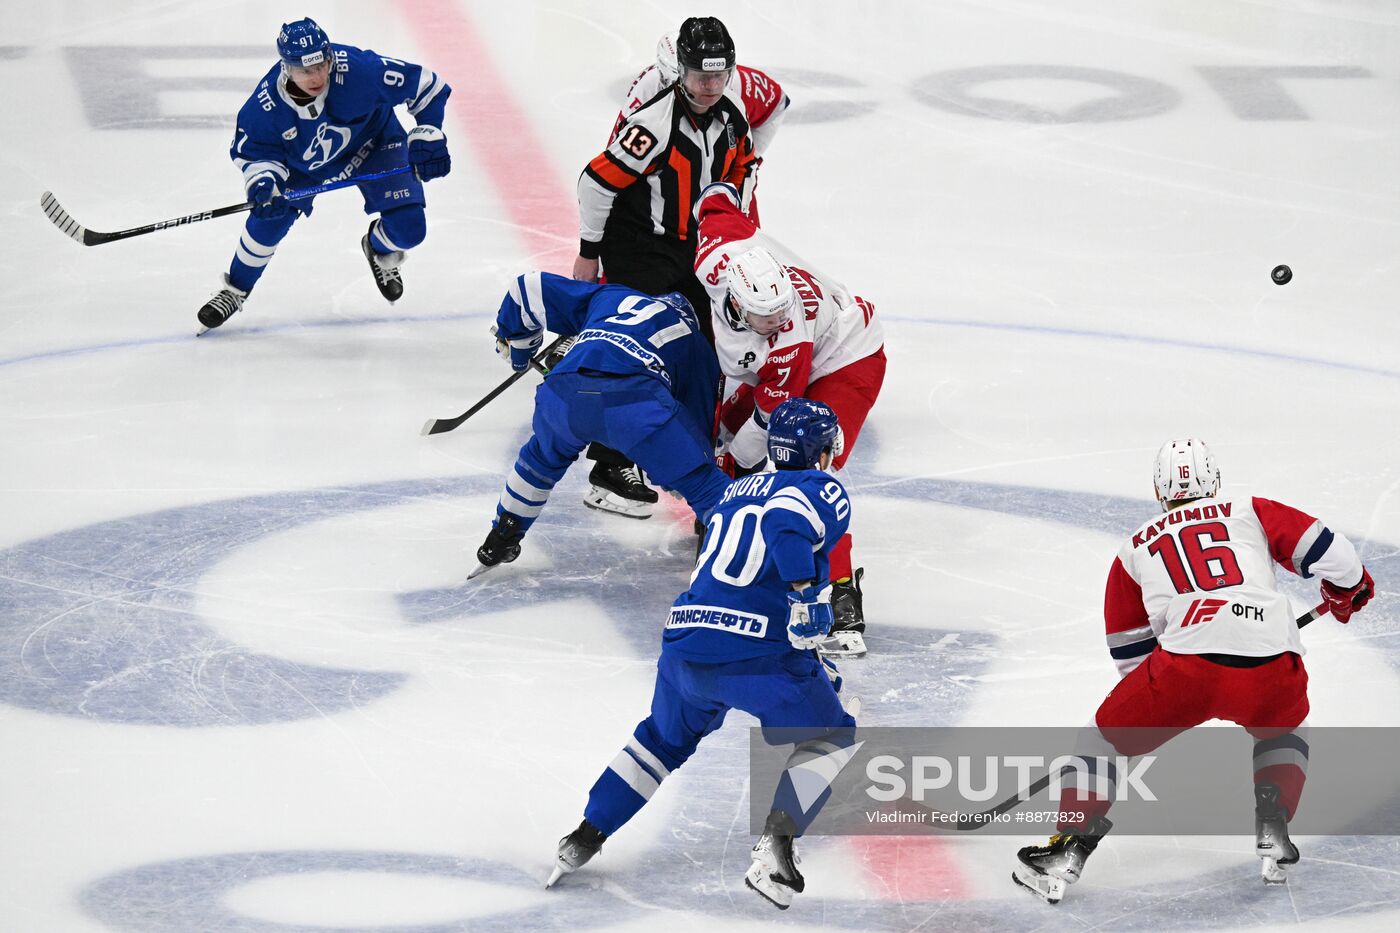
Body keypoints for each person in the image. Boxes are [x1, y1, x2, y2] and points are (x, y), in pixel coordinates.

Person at [1012, 438, 1376, 904]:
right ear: (1214, 481)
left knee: (1100, 740)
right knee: (1284, 731)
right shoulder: (1249, 509)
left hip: (1184, 669)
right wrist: (1348, 587)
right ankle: (1274, 824)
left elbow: (1129, 653)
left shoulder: (1134, 547)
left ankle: (1068, 848)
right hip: (1273, 664)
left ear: (1160, 490)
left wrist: (1161, 704)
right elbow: (1337, 555)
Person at [545, 399, 858, 910]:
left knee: (659, 743)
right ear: (819, 451)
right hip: (756, 654)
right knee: (831, 738)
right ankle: (776, 846)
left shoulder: (734, 491)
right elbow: (784, 524)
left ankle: (585, 834)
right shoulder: (820, 488)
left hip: (685, 643)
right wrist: (804, 595)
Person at [570, 16, 758, 521]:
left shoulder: (732, 118)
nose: (709, 85)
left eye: (719, 76)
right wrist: (589, 255)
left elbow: (742, 171)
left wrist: (730, 228)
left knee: (701, 351)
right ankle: (607, 468)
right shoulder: (653, 123)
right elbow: (595, 182)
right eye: (701, 75)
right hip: (637, 244)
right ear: (681, 71)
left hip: (690, 247)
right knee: (640, 349)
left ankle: (684, 454)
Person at [692, 181, 886, 657]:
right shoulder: (717, 258)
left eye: (781, 311)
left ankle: (840, 595)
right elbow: (715, 203)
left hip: (845, 355)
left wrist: (732, 465)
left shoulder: (786, 338)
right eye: (766, 315)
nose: (778, 319)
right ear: (736, 299)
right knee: (721, 435)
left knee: (807, 468)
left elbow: (771, 418)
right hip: (779, 360)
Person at [196, 17, 452, 331]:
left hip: (375, 144)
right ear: (286, 68)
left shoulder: (359, 70)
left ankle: (378, 248)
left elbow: (428, 85)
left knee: (410, 230)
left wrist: (427, 131)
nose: (317, 76)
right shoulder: (264, 108)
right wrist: (265, 185)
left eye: (321, 65)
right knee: (267, 221)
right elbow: (256, 154)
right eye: (305, 71)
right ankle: (235, 290)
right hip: (303, 169)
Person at [470, 272, 730, 577]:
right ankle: (741, 555)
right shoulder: (695, 341)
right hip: (634, 407)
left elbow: (526, 288)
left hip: (563, 392)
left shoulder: (611, 297)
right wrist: (682, 475)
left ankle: (502, 535)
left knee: (540, 460)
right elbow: (701, 419)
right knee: (705, 484)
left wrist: (518, 347)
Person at [612, 31, 789, 223]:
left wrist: (746, 160)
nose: (709, 86)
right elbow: (616, 159)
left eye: (714, 77)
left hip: (725, 192)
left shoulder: (736, 85)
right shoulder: (648, 87)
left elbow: (776, 102)